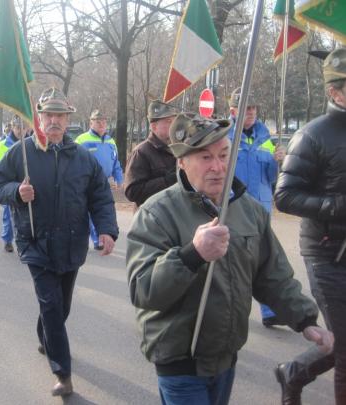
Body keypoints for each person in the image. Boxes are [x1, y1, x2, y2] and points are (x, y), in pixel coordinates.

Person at [126, 113, 333, 405]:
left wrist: (304, 319)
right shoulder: (155, 214)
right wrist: (191, 255)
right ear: (182, 163)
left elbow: (271, 275)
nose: (218, 167)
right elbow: (144, 290)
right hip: (180, 362)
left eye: (224, 154)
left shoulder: (250, 211)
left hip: (226, 356)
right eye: (205, 157)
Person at [0, 87, 118, 397]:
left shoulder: (83, 158)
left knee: (61, 307)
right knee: (51, 305)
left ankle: (46, 337)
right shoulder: (22, 153)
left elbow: (100, 196)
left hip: (72, 245)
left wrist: (107, 230)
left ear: (68, 119)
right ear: (39, 118)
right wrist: (16, 194)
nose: (54, 121)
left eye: (60, 116)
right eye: (49, 115)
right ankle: (63, 372)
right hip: (36, 243)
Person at [274, 48, 346, 405]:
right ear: (335, 91)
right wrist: (335, 206)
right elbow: (285, 196)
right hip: (327, 254)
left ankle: (293, 372)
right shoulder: (313, 135)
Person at [228, 87, 286, 327]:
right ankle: (230, 312)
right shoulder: (225, 136)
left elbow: (271, 177)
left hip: (261, 208)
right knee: (234, 261)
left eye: (252, 108)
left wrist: (277, 161)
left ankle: (270, 310)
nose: (249, 112)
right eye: (244, 108)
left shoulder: (266, 137)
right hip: (234, 206)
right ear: (233, 110)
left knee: (263, 258)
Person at [75, 110, 123, 250]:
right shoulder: (81, 140)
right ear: (91, 123)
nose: (101, 124)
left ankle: (101, 236)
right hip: (87, 182)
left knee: (103, 208)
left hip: (105, 182)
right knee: (90, 210)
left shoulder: (110, 141)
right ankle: (96, 239)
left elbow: (116, 162)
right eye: (98, 121)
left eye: (103, 121)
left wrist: (119, 179)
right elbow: (74, 163)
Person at [124, 100, 179, 207]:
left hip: (175, 216)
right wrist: (167, 181)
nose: (174, 125)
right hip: (150, 219)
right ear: (154, 127)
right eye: (168, 121)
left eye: (174, 120)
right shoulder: (141, 152)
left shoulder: (179, 149)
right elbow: (132, 192)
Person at [0, 115, 28, 253]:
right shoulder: (2, 146)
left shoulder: (30, 143)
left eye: (23, 127)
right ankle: (7, 240)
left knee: (26, 217)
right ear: (12, 127)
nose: (21, 130)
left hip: (25, 184)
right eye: (18, 127)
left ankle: (24, 242)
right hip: (9, 186)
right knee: (9, 214)